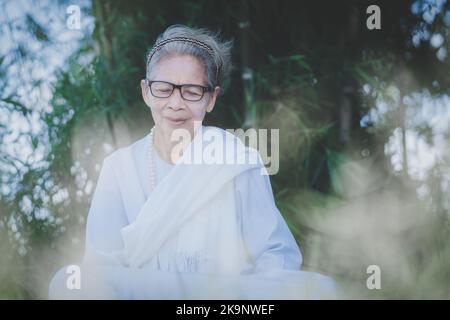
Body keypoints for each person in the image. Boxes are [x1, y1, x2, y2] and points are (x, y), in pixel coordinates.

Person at [49, 24, 338, 299]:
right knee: (71, 283)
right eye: (163, 88)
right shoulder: (118, 166)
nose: (176, 103)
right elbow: (101, 266)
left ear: (211, 99)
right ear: (146, 91)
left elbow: (275, 255)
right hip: (150, 295)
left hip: (225, 298)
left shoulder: (236, 158)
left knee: (324, 291)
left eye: (191, 91)